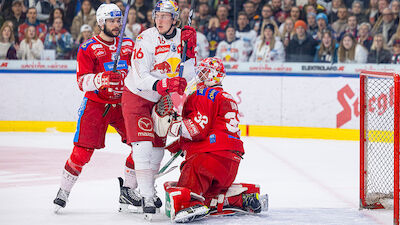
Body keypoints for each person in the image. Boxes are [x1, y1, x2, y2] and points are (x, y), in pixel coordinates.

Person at [52, 3, 137, 213]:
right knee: (82, 153)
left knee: (142, 145)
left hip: (122, 104)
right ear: (101, 23)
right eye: (112, 21)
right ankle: (63, 191)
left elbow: (139, 73)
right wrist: (102, 78)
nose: (117, 25)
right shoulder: (87, 48)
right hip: (95, 106)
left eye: (119, 20)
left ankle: (128, 190)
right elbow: (82, 82)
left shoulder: (128, 44)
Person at [160, 57, 267, 223]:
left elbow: (197, 131)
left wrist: (171, 125)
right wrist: (179, 144)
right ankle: (239, 199)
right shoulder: (226, 96)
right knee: (209, 194)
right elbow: (213, 128)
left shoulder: (204, 93)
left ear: (213, 76)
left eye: (203, 73)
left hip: (208, 159)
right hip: (230, 163)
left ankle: (191, 204)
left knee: (184, 192)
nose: (199, 78)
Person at [121, 0, 197, 216]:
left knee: (156, 150)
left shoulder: (184, 37)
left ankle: (148, 189)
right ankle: (146, 196)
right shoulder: (146, 38)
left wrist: (190, 53)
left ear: (175, 19)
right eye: (157, 15)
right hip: (137, 96)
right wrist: (165, 84)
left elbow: (189, 74)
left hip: (162, 100)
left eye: (165, 16)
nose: (160, 20)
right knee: (143, 147)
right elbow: (139, 77)